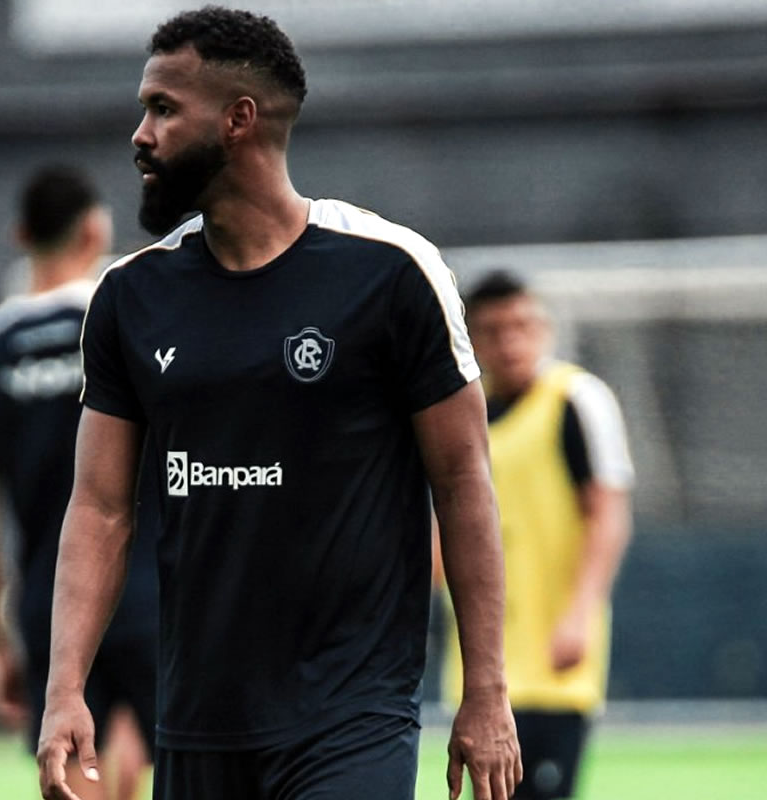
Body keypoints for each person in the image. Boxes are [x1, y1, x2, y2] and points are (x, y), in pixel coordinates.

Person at [36, 8, 520, 800]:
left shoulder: (392, 272)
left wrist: (487, 690)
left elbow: (463, 481)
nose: (140, 135)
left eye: (163, 109)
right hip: (195, 719)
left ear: (238, 120)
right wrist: (64, 691)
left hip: (352, 712)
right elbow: (99, 508)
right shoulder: (130, 296)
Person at [0, 166, 158, 800]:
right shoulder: (136, 319)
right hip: (156, 590)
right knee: (161, 756)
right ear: (94, 231)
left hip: (54, 599)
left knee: (72, 763)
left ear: (20, 235)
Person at [450, 270, 634, 800]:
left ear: (545, 329)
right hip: (481, 666)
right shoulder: (463, 412)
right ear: (473, 340)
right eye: (494, 331)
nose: (510, 342)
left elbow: (608, 513)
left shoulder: (575, 400)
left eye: (523, 326)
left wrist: (580, 614)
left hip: (556, 663)